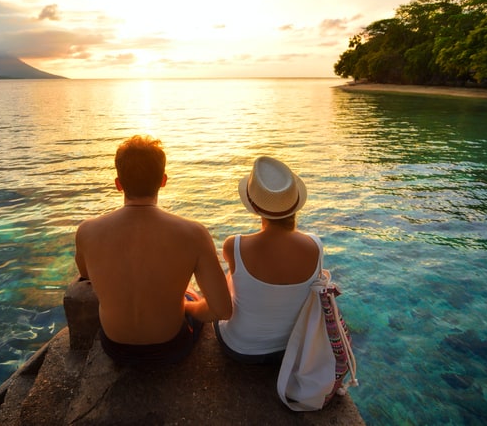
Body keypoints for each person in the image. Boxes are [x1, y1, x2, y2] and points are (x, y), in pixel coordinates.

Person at [75, 135, 232, 366]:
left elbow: (86, 275)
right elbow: (222, 310)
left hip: (115, 348)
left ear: (118, 184)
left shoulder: (87, 231)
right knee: (189, 292)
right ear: (163, 180)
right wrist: (188, 305)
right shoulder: (193, 233)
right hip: (171, 348)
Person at [214, 156, 322, 364]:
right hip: (289, 349)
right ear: (295, 202)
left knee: (232, 277)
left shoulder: (234, 245)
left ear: (254, 206)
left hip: (239, 348)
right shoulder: (316, 246)